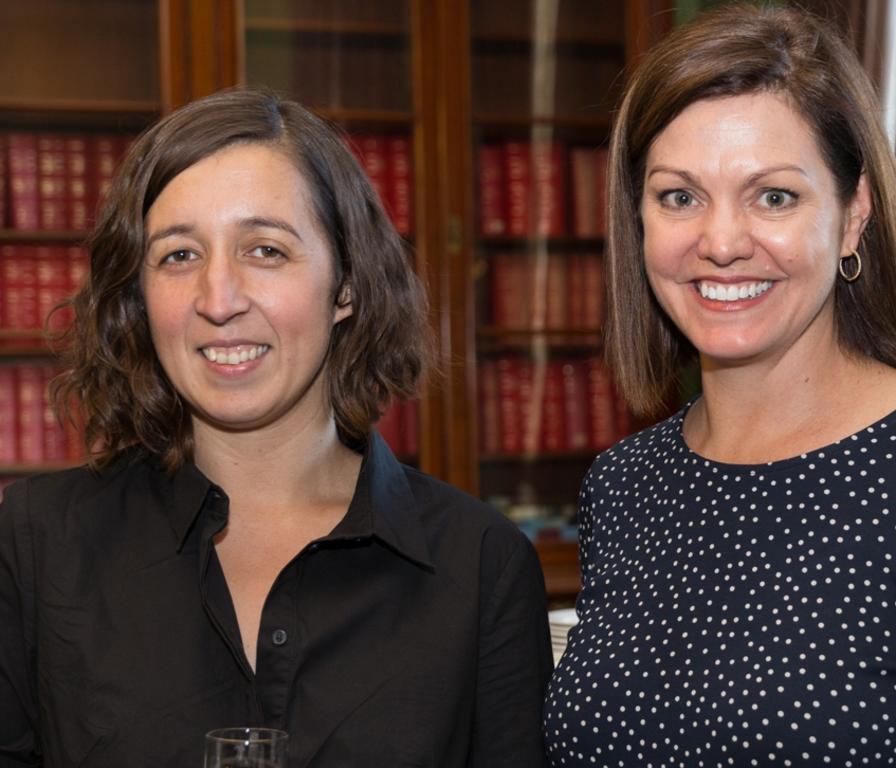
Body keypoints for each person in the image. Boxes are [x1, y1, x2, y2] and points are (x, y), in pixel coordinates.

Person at [0, 87, 552, 767]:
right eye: (179, 256)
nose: (219, 300)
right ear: (139, 298)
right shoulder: (35, 543)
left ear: (346, 284)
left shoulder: (480, 566)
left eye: (264, 249)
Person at [543, 4, 896, 766]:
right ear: (637, 219)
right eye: (679, 196)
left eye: (774, 196)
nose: (723, 243)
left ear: (854, 214)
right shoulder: (624, 488)